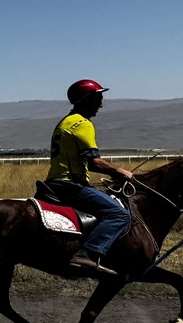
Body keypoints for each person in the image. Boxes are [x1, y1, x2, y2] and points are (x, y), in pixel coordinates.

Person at [45, 79, 134, 276]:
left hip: (55, 182)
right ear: (86, 99)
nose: (101, 104)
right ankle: (87, 254)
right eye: (98, 98)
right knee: (120, 214)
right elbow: (95, 162)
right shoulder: (82, 124)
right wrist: (120, 172)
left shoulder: (65, 122)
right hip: (70, 185)